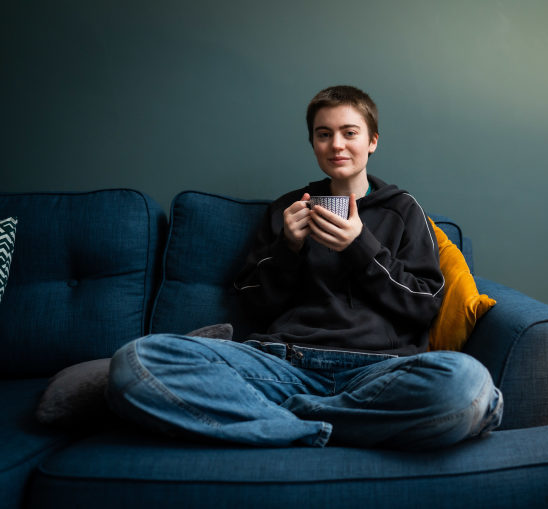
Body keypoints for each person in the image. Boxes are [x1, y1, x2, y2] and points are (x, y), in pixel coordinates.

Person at [107, 85, 503, 450]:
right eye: (323, 134)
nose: (337, 145)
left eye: (350, 132)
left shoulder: (403, 210)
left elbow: (423, 304)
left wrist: (359, 246)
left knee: (465, 385)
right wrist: (288, 249)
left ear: (372, 141)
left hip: (378, 373)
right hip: (284, 363)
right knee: (136, 363)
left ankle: (286, 421)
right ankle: (316, 427)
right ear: (313, 142)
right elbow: (252, 304)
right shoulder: (287, 208)